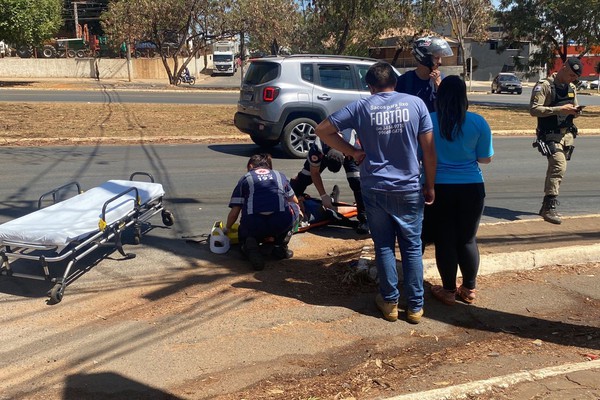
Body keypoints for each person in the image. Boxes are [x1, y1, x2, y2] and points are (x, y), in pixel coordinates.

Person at [315, 62, 436, 324]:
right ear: (394, 80)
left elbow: (322, 130)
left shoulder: (361, 106)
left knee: (383, 246)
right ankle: (415, 307)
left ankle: (390, 302)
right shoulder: (415, 104)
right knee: (412, 248)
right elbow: (428, 150)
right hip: (408, 187)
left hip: (375, 186)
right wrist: (430, 185)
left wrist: (353, 151)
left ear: (370, 87)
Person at [426, 76, 494, 306]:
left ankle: (447, 290)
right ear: (464, 96)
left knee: (444, 239)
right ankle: (469, 288)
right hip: (471, 188)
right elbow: (485, 158)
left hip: (438, 187)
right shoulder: (478, 122)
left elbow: (420, 156)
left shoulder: (428, 121)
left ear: (439, 96)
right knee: (467, 239)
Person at [530, 57, 583, 225]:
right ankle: (549, 207)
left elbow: (574, 107)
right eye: (571, 75)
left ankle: (547, 205)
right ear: (564, 67)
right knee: (559, 165)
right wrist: (559, 109)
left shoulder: (572, 88)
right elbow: (534, 110)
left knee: (556, 169)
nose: (573, 79)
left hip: (566, 135)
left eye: (575, 77)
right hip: (549, 135)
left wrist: (575, 112)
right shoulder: (544, 86)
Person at [225, 153, 300, 270]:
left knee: (247, 212)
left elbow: (234, 212)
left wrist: (227, 229)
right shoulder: (279, 175)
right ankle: (280, 245)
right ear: (268, 166)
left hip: (254, 225)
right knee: (294, 207)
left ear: (250, 166)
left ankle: (249, 245)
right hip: (280, 223)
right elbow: (294, 200)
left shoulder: (246, 178)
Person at [290, 128, 368, 234]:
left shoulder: (353, 146)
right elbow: (315, 173)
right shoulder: (318, 147)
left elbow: (364, 167)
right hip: (327, 151)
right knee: (305, 177)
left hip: (349, 151)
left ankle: (364, 218)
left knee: (357, 182)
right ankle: (291, 200)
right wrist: (323, 195)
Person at [395, 36, 453, 112]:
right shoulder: (404, 81)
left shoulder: (441, 79)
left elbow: (449, 107)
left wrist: (439, 86)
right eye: (436, 57)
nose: (440, 62)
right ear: (424, 57)